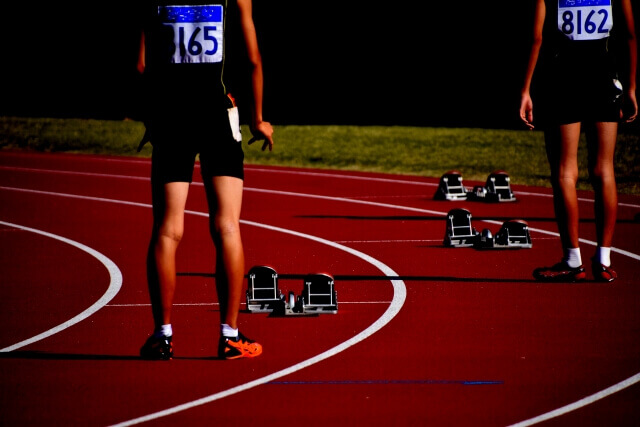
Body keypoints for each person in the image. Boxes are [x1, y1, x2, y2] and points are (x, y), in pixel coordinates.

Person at [137, 0, 274, 360]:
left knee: (167, 229)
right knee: (227, 226)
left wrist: (151, 117)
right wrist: (258, 118)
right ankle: (229, 335)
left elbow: (140, 65)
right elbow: (253, 59)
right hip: (218, 113)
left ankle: (162, 335)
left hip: (171, 116)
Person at [519, 0, 637, 282]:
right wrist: (631, 87)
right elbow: (630, 34)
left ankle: (572, 260)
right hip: (603, 78)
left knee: (564, 172)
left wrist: (525, 89)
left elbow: (536, 37)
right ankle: (604, 259)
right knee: (604, 170)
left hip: (563, 80)